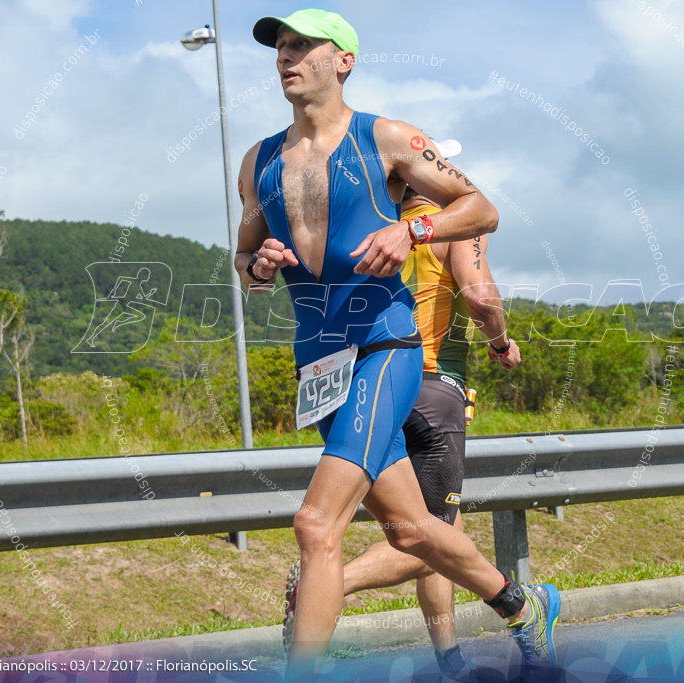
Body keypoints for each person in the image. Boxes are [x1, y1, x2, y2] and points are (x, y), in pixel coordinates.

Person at [235, 9, 560, 678]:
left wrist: (412, 233)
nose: (286, 56)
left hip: (385, 348)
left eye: (302, 45)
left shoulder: (386, 138)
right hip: (318, 363)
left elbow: (481, 208)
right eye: (280, 46)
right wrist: (258, 264)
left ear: (343, 61)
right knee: (412, 530)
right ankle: (523, 605)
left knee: (316, 525)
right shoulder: (259, 160)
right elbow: (242, 261)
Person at [283, 160, 524, 680]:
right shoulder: (454, 227)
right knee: (427, 536)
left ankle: (449, 659)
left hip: (361, 381)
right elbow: (481, 297)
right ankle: (326, 586)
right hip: (432, 384)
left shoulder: (371, 228)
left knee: (438, 528)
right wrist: (502, 342)